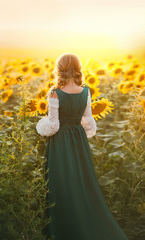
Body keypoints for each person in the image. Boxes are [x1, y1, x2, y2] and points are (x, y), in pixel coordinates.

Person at [36, 52, 129, 240]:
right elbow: (89, 122)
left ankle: (64, 229)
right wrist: (77, 133)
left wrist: (39, 125)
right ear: (78, 68)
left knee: (60, 183)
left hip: (60, 142)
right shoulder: (85, 91)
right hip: (78, 141)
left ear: (60, 69)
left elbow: (53, 126)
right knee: (80, 181)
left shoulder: (54, 93)